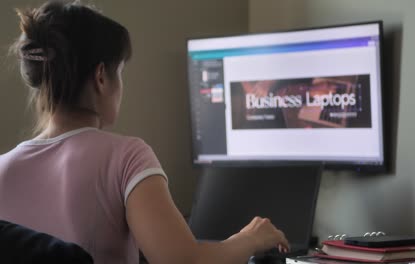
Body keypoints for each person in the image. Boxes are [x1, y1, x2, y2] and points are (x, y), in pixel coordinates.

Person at [0, 1, 289, 263]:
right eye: (120, 72)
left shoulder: (3, 168)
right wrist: (250, 239)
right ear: (101, 77)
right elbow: (185, 262)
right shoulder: (126, 157)